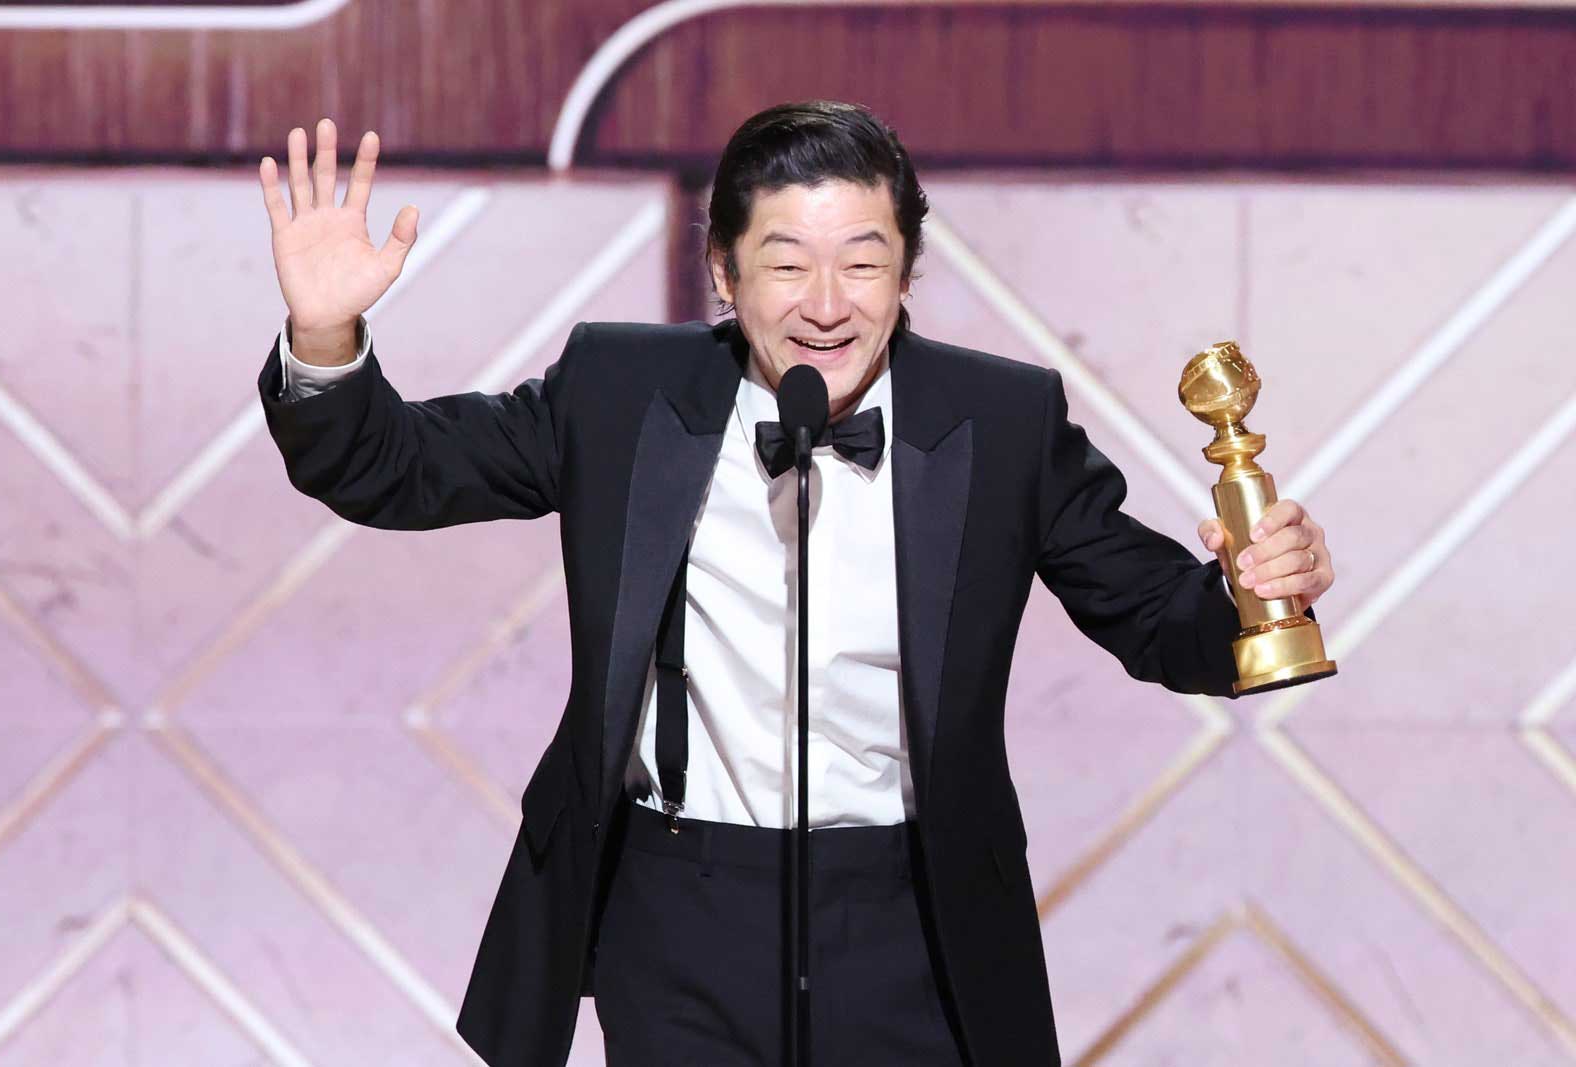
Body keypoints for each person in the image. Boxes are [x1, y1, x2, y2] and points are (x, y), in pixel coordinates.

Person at [254, 101, 1336, 1067]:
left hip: (914, 915)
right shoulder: (620, 393)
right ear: (723, 271)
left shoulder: (1000, 422)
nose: (826, 303)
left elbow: (1157, 616)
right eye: (785, 262)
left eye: (862, 261)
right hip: (678, 905)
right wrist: (324, 332)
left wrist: (1254, 594)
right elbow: (387, 465)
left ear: (909, 270)